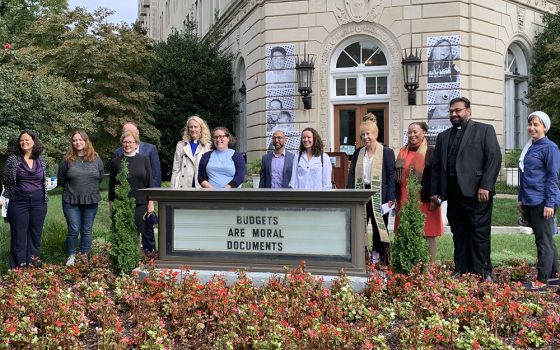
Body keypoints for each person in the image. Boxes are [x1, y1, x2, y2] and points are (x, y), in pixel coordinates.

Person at [430, 97, 501, 280]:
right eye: (451, 111)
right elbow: (437, 167)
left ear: (468, 111)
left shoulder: (484, 130)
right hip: (453, 194)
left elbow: (494, 158)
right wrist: (436, 192)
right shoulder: (443, 136)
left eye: (458, 110)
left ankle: (484, 271)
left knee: (480, 232)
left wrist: (486, 185)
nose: (454, 114)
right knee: (459, 232)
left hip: (478, 193)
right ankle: (461, 268)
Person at [517, 111, 560, 291]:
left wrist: (550, 203)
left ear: (545, 127)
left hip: (543, 201)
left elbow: (553, 176)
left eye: (536, 124)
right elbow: (525, 175)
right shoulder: (531, 147)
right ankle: (552, 277)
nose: (532, 128)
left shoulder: (549, 148)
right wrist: (521, 199)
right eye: (530, 124)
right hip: (530, 200)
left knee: (543, 241)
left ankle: (541, 281)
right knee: (545, 239)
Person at [347, 121, 395, 265]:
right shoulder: (358, 153)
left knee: (379, 227)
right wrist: (350, 193)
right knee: (360, 226)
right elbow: (352, 174)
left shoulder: (386, 152)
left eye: (368, 134)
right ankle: (363, 258)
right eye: (363, 135)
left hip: (380, 195)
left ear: (375, 134)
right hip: (362, 193)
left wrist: (391, 198)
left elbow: (391, 175)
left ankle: (382, 259)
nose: (365, 137)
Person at [394, 122, 443, 263]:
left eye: (415, 132)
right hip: (404, 198)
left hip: (426, 199)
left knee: (429, 233)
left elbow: (437, 176)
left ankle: (430, 267)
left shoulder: (431, 152)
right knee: (405, 232)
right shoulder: (403, 152)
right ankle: (409, 263)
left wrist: (436, 196)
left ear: (424, 132)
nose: (412, 135)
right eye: (409, 132)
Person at [1, 130, 48, 268]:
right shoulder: (13, 159)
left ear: (34, 141)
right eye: (21, 140)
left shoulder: (41, 160)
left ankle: (32, 266)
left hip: (39, 202)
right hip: (18, 201)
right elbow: (4, 179)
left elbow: (42, 181)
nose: (24, 142)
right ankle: (18, 270)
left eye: (27, 139)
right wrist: (3, 196)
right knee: (18, 236)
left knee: (35, 235)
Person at [58, 131, 104, 266]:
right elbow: (61, 179)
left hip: (90, 199)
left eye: (80, 140)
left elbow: (100, 177)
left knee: (87, 229)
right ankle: (71, 255)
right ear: (72, 143)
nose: (77, 142)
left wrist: (87, 189)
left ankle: (84, 256)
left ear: (86, 141)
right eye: (75, 140)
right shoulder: (67, 160)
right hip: (71, 200)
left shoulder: (96, 158)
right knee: (74, 228)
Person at [109, 131, 155, 253]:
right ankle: (127, 257)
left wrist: (151, 203)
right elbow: (111, 186)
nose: (127, 144)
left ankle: (141, 258)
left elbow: (150, 182)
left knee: (141, 232)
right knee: (125, 233)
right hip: (122, 203)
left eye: (130, 142)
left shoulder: (144, 160)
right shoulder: (115, 162)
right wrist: (111, 206)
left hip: (141, 203)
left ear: (136, 144)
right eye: (124, 142)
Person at [115, 122, 161, 188]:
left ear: (138, 132)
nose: (129, 134)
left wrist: (154, 194)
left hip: (146, 191)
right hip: (125, 192)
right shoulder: (118, 152)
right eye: (126, 132)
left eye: (132, 131)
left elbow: (156, 175)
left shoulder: (151, 149)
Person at [171, 115, 212, 188]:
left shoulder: (207, 146)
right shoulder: (181, 145)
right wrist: (172, 187)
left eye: (196, 127)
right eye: (191, 127)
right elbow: (175, 169)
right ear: (187, 129)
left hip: (200, 185)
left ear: (201, 129)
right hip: (183, 184)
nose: (193, 129)